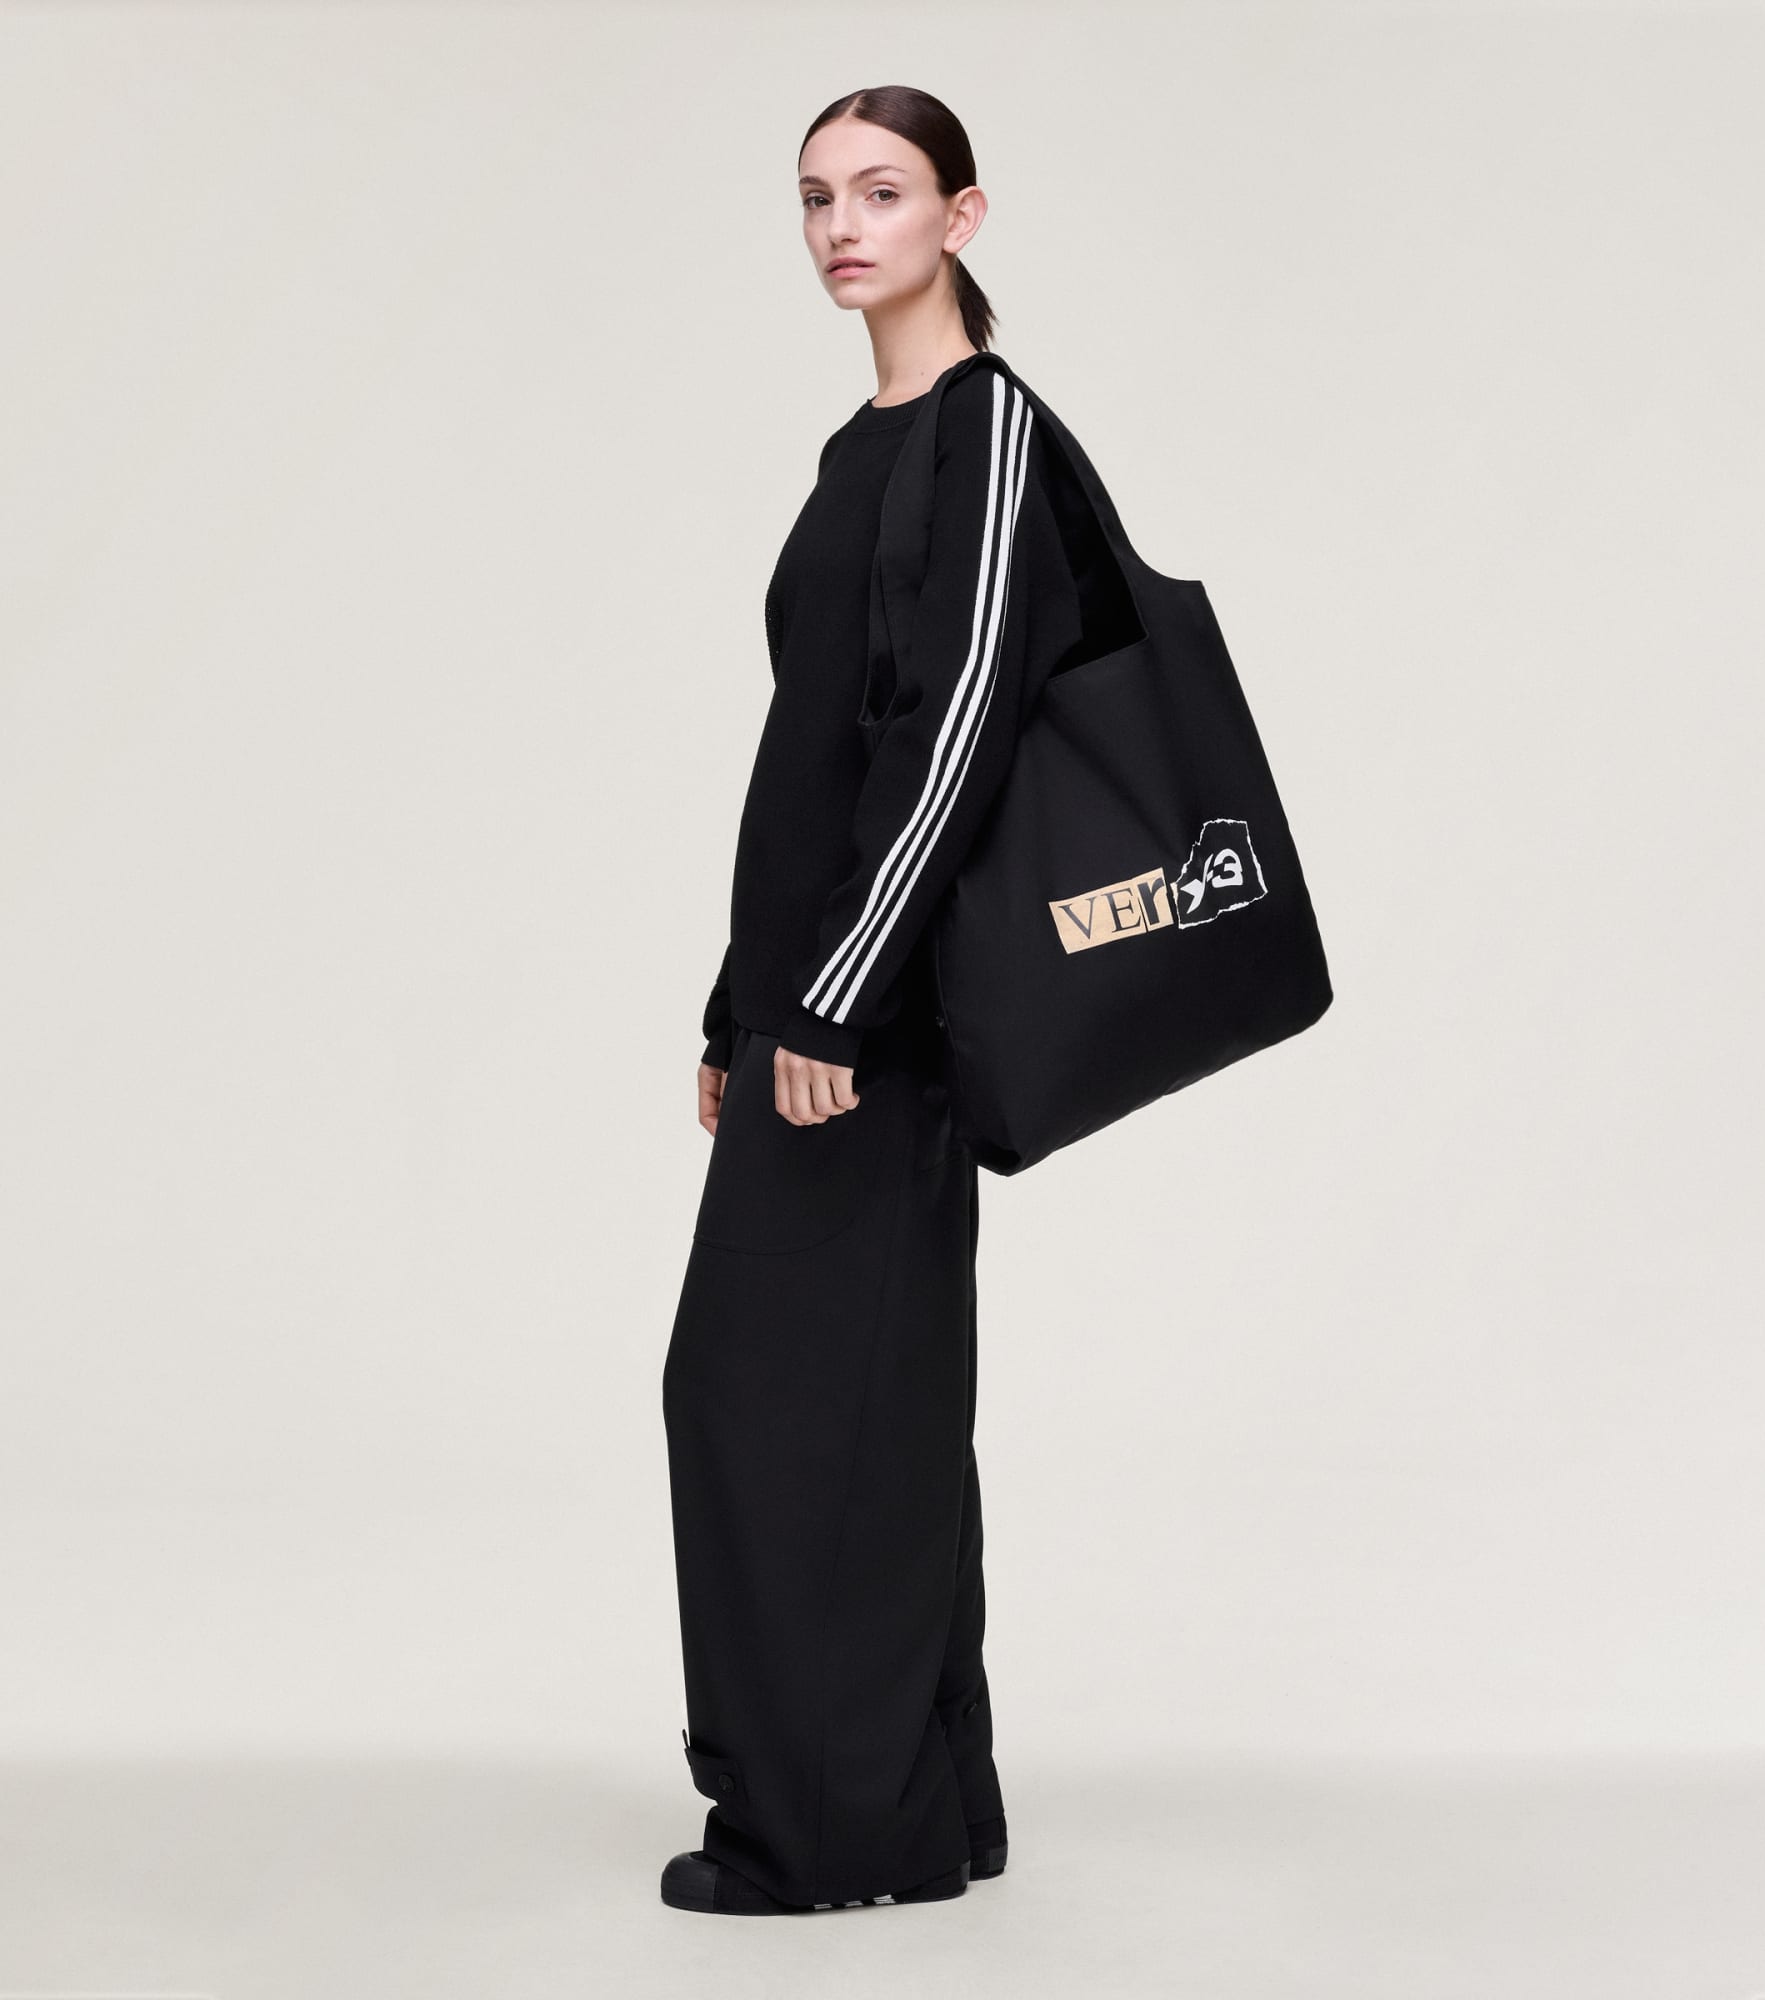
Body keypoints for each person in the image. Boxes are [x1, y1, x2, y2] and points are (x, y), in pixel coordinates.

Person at [659, 87, 1112, 1916]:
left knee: (780, 1404)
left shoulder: (988, 434)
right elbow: (814, 755)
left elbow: (957, 734)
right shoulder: (864, 448)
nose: (843, 227)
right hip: (810, 1011)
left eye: (883, 192)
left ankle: (829, 1833)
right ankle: (925, 1810)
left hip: (879, 1027)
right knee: (860, 1403)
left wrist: (835, 1006)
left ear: (962, 216)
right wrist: (736, 1006)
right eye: (815, 198)